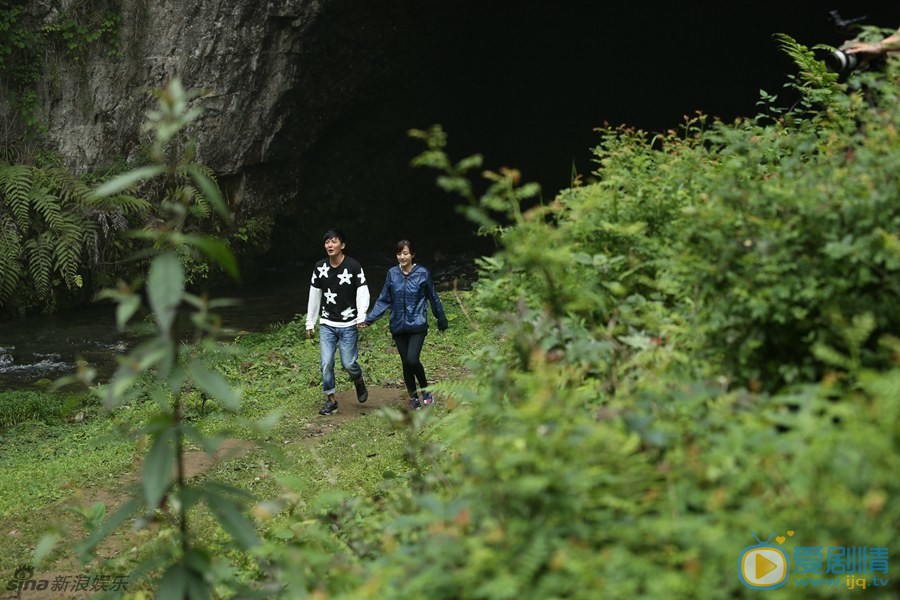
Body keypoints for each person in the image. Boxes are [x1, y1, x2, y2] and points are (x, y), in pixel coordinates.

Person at [361, 239, 448, 411]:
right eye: (399, 253)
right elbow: (384, 299)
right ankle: (413, 398)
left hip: (417, 325)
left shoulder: (423, 273)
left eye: (405, 253)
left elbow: (433, 297)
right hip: (398, 325)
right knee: (405, 363)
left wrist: (441, 318)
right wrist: (369, 319)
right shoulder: (392, 273)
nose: (402, 257)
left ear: (412, 254)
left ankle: (426, 391)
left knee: (412, 359)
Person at [305, 228, 370, 415]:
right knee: (326, 363)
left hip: (349, 323)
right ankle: (331, 401)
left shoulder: (353, 266)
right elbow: (314, 294)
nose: (330, 245)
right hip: (327, 323)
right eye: (327, 242)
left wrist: (361, 316)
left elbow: (362, 290)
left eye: (334, 241)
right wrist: (310, 321)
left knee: (349, 363)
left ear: (343, 245)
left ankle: (358, 380)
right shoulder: (320, 267)